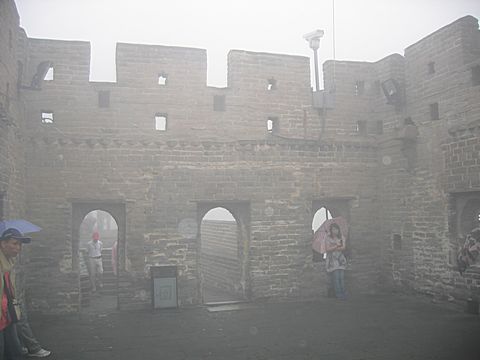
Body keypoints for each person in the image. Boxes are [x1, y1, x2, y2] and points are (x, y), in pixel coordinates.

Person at [0, 228, 31, 359]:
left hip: (8, 314)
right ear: (3, 243)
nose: (18, 248)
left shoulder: (9, 263)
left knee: (15, 352)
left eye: (20, 244)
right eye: (14, 243)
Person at [324, 223, 347, 300]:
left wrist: (334, 247)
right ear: (331, 230)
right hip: (333, 260)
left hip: (340, 259)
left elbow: (343, 247)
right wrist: (336, 245)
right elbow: (327, 249)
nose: (335, 231)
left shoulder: (341, 237)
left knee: (342, 277)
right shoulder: (328, 238)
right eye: (333, 229)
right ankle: (339, 294)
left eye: (336, 229)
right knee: (336, 278)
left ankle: (344, 293)